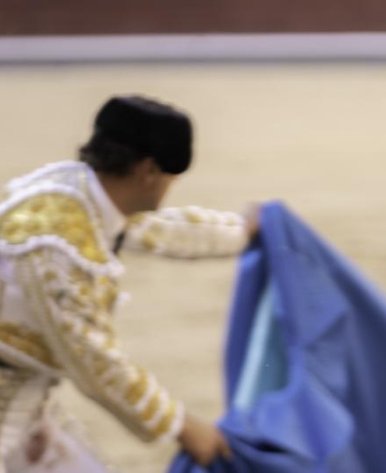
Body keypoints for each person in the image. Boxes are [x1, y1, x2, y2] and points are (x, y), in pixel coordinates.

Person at [0, 96, 257, 471]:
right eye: (172, 175)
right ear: (149, 170)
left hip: (27, 392)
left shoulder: (76, 191)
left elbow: (159, 229)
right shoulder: (56, 246)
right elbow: (94, 361)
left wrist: (242, 232)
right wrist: (182, 426)